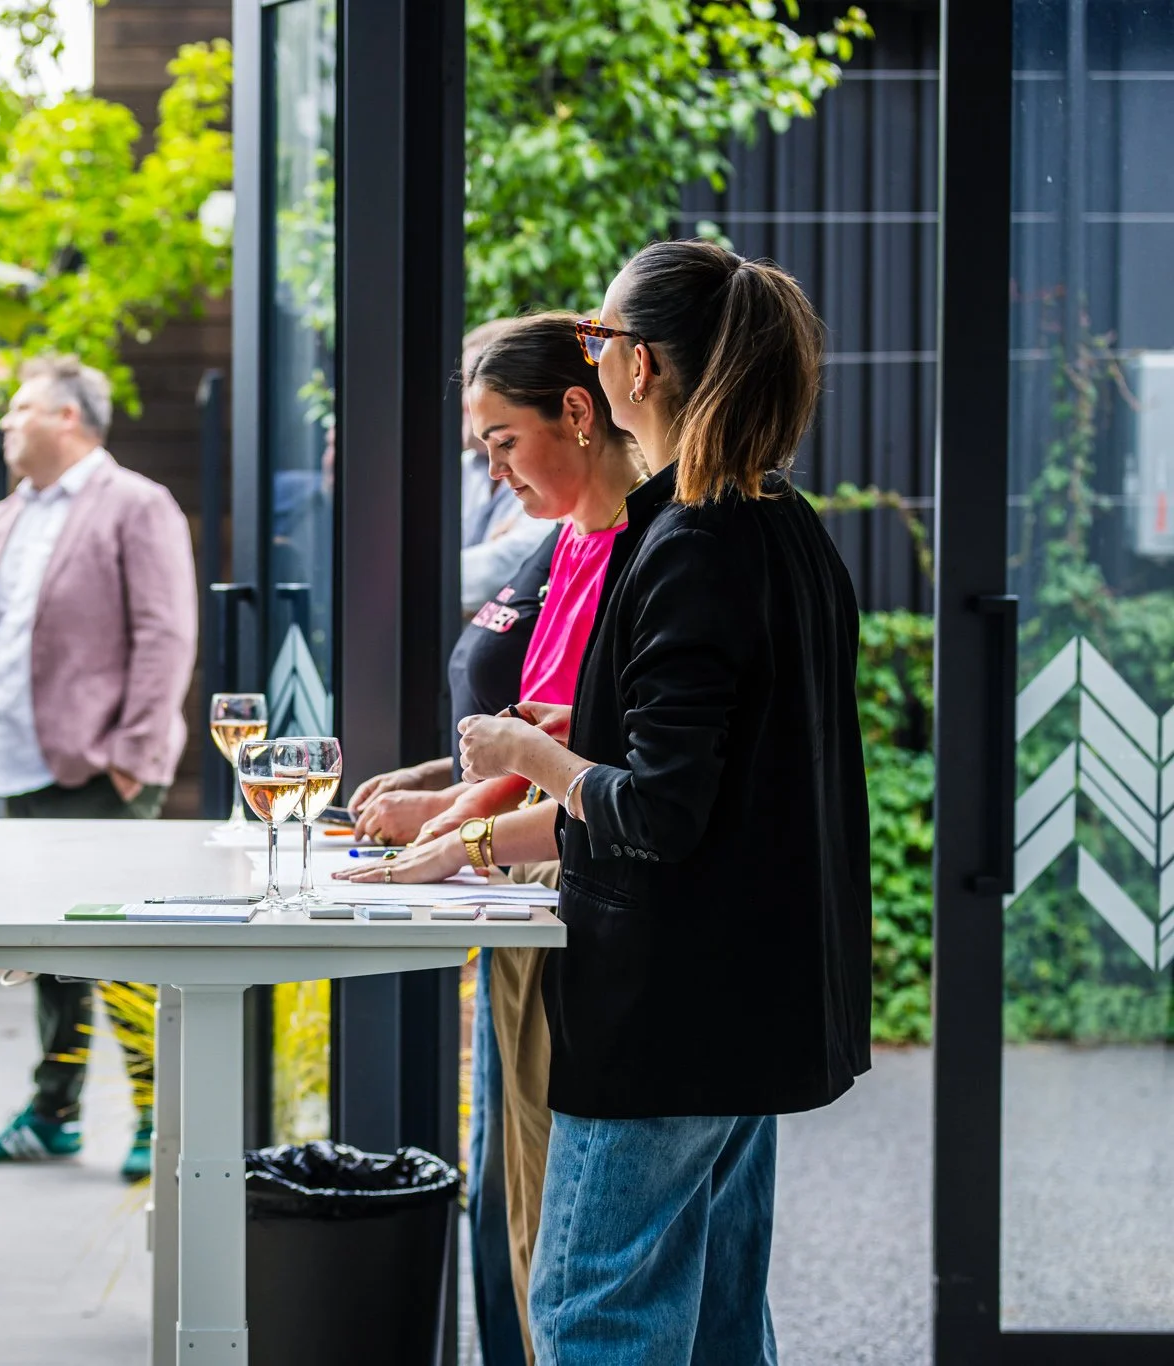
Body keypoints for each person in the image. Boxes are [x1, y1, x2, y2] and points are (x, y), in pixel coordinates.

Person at [452, 242, 869, 1365]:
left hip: (666, 1010)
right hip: (751, 1000)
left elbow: (657, 812)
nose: (588, 358)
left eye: (595, 341)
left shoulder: (684, 543)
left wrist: (520, 752)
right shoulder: (783, 528)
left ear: (638, 367)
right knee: (722, 1319)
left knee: (594, 1311)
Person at [341, 314, 644, 1363]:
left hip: (581, 920)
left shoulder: (640, 551)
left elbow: (606, 780)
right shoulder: (568, 543)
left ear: (583, 407)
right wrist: (442, 795)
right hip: (532, 903)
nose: (495, 471)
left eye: (501, 443)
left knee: (562, 1261)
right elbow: (549, 735)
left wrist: (447, 839)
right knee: (528, 1228)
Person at [0, 355, 197, 1182]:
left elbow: (167, 635)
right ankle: (53, 1112)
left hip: (101, 774)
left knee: (120, 954)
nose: (4, 423)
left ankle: (153, 1118)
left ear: (70, 417)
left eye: (20, 408)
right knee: (47, 954)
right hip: (18, 771)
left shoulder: (137, 505)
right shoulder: (2, 518)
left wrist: (136, 759)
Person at [460, 320, 558, 617]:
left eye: (468, 383)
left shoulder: (546, 480)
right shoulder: (466, 469)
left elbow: (496, 574)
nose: (464, 399)